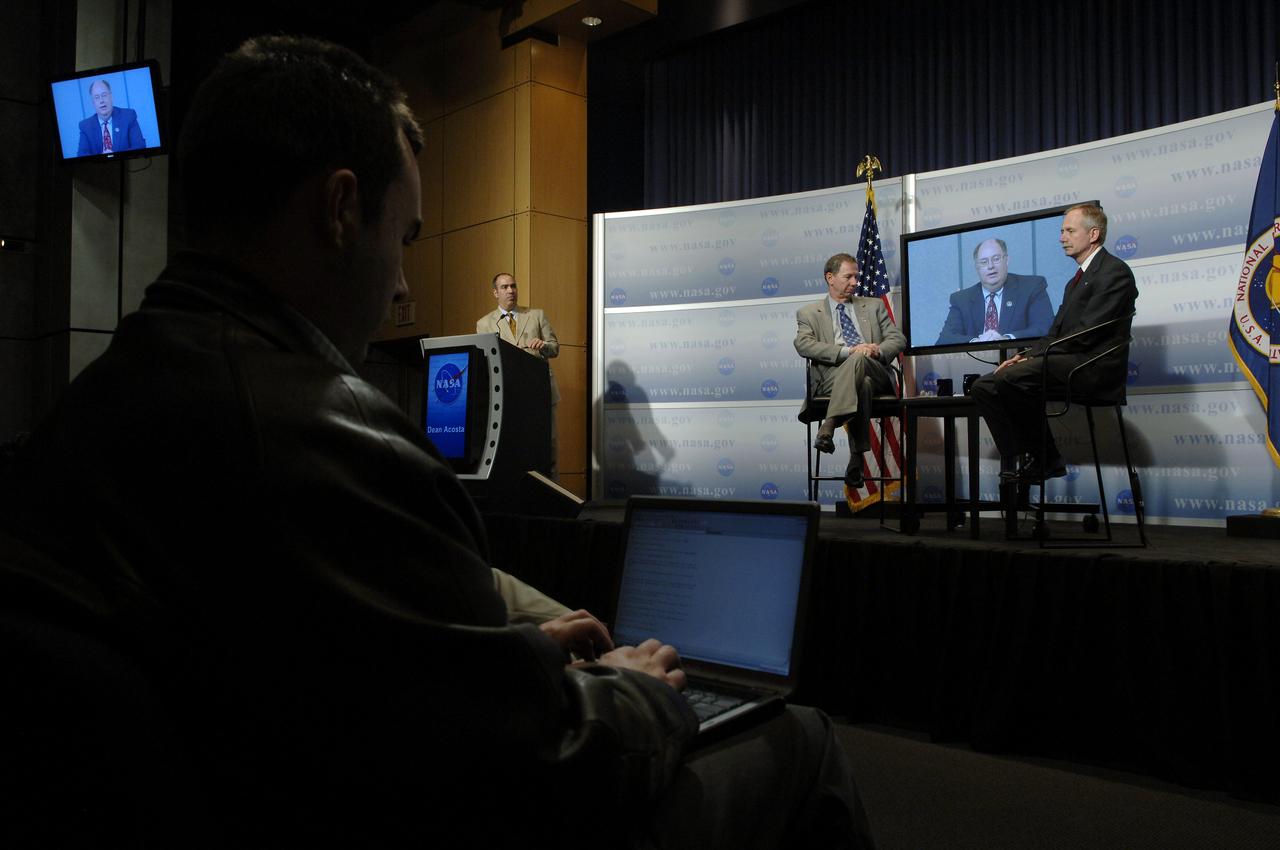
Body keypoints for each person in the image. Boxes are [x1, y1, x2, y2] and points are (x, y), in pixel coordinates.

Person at [3, 35, 874, 849]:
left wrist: (511, 656)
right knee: (799, 740)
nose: (403, 286)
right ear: (342, 208)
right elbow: (552, 766)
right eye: (405, 238)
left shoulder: (100, 399)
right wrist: (640, 697)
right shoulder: (326, 435)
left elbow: (317, 658)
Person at [969, 203, 1138, 482]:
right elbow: (1054, 332)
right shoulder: (1076, 281)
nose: (1062, 237)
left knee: (1010, 378)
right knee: (984, 386)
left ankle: (1046, 458)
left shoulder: (1114, 272)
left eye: (1070, 231)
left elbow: (1087, 333)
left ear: (1093, 234)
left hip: (1093, 367)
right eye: (1062, 231)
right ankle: (1028, 457)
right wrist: (1024, 356)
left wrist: (1032, 361)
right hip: (1069, 359)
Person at [795, 253, 905, 489]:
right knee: (860, 380)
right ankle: (857, 457)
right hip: (831, 380)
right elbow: (803, 344)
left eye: (856, 276)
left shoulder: (873, 306)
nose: (855, 282)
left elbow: (897, 339)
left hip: (876, 372)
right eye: (849, 276)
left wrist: (874, 351)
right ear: (830, 278)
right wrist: (848, 351)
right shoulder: (809, 313)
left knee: (861, 364)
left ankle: (830, 423)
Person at [477, 272, 560, 478]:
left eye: (513, 286)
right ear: (495, 293)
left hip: (538, 393)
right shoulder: (484, 324)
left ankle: (553, 499)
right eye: (504, 287)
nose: (510, 291)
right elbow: (484, 361)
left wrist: (543, 347)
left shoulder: (536, 315)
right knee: (513, 449)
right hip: (507, 396)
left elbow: (555, 348)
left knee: (546, 447)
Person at [934, 238, 1054, 345]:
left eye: (996, 259)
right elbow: (945, 338)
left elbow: (1045, 328)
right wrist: (976, 342)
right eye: (984, 262)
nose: (990, 266)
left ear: (1006, 260)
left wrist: (1006, 339)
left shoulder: (1031, 287)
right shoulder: (961, 299)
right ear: (977, 267)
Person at [76, 79, 145, 156]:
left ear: (111, 97)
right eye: (97, 97)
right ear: (93, 102)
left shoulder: (128, 116)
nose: (101, 100)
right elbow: (81, 155)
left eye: (104, 95)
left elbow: (140, 147)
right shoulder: (85, 126)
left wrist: (115, 155)